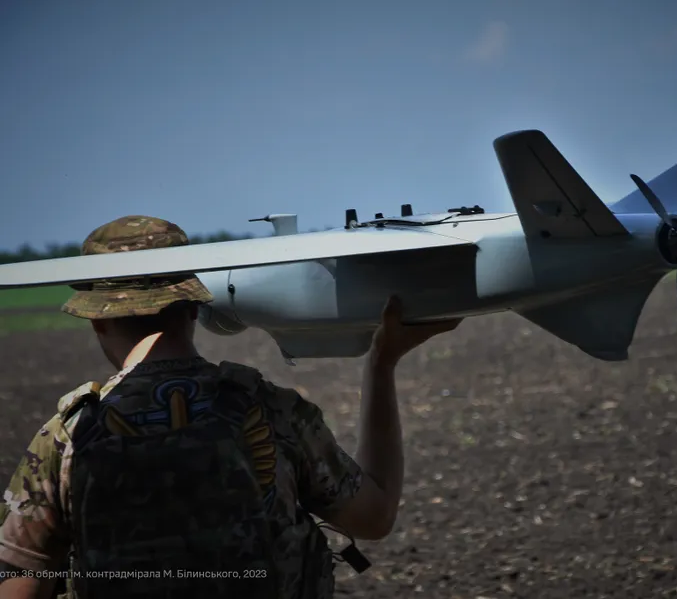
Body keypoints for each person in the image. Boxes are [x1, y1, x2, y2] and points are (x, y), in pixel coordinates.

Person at [0, 215, 461, 599]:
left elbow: (18, 584)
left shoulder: (67, 436)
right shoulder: (272, 410)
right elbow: (374, 516)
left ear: (97, 320)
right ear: (194, 309)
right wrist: (382, 363)